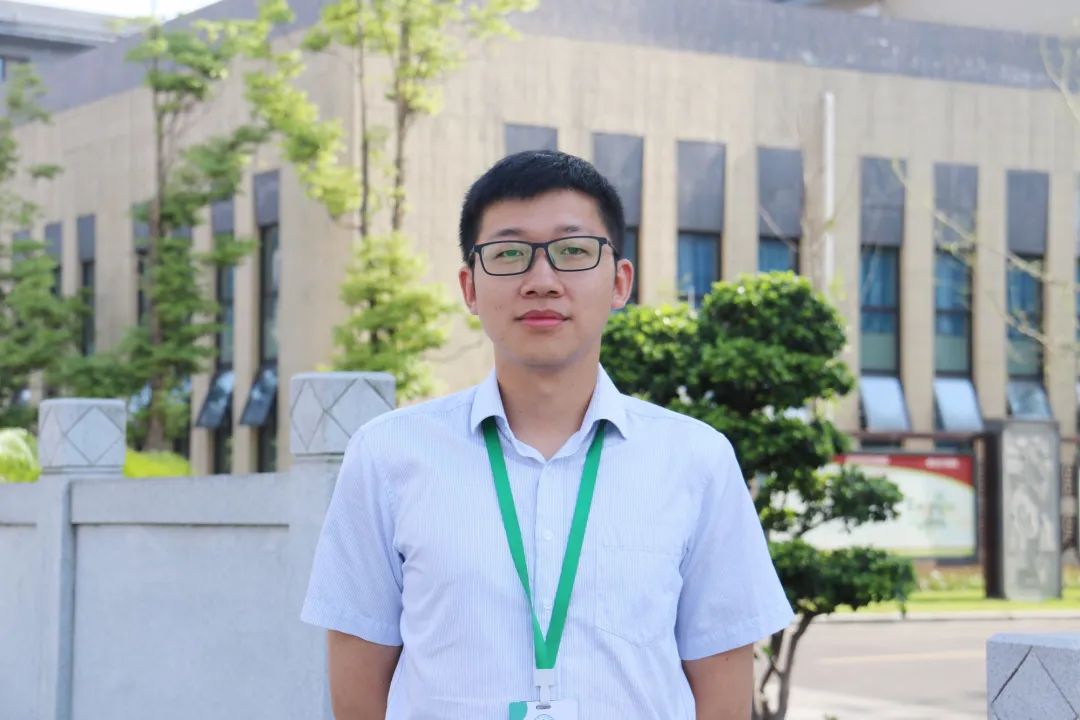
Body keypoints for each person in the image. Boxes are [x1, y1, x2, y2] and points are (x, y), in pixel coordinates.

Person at [301, 150, 794, 719]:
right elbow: (359, 686)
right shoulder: (387, 455)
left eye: (573, 251)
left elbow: (722, 686)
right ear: (469, 287)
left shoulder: (696, 459)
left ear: (619, 282)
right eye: (509, 254)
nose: (542, 281)